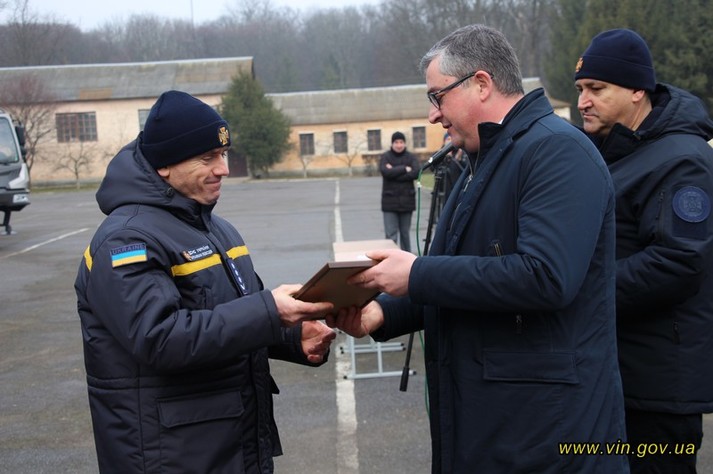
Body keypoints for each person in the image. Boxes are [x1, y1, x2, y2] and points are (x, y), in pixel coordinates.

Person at [327, 24, 628, 473]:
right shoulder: (483, 160)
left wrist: (416, 274)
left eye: (437, 97)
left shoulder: (557, 152)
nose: (433, 115)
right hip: (499, 423)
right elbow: (456, 278)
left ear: (481, 84)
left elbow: (545, 277)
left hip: (547, 435)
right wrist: (382, 314)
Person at [74, 90, 336, 474]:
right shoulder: (126, 240)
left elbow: (233, 318)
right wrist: (271, 311)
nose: (223, 168)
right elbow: (161, 339)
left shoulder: (217, 230)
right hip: (170, 456)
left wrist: (293, 337)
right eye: (208, 157)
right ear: (165, 164)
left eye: (224, 154)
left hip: (231, 444)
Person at [575, 28, 713, 473]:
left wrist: (581, 293)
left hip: (658, 386)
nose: (583, 102)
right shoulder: (615, 151)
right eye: (580, 90)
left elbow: (678, 261)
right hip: (617, 371)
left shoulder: (682, 159)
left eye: (597, 89)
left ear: (637, 91)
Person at [379, 131, 420, 252]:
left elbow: (416, 172)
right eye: (396, 142)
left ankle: (407, 259)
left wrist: (394, 172)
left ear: (404, 143)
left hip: (407, 202)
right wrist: (404, 169)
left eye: (401, 142)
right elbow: (385, 172)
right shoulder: (385, 157)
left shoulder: (411, 157)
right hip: (389, 203)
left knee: (405, 234)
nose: (399, 145)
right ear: (392, 144)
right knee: (390, 235)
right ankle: (389, 258)